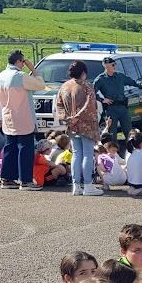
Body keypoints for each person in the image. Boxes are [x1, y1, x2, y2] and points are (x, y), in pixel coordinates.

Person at [0, 50, 46, 190]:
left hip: (8, 116)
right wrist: (33, 69)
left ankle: (7, 178)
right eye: (23, 62)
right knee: (25, 149)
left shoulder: (1, 76)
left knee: (10, 148)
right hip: (23, 117)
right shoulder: (20, 76)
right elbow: (41, 85)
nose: (24, 64)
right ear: (18, 61)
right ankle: (26, 181)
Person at [56, 60, 103, 197]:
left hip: (71, 126)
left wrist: (67, 118)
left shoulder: (64, 86)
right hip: (87, 125)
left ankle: (76, 186)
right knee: (88, 154)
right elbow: (90, 105)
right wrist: (78, 116)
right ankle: (88, 185)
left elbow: (58, 104)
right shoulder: (87, 86)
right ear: (83, 73)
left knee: (76, 154)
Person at [92, 56, 137, 153]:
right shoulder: (101, 79)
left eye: (114, 64)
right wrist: (102, 99)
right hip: (111, 109)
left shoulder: (120, 76)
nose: (114, 66)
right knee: (112, 134)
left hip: (123, 108)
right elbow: (91, 92)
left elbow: (133, 82)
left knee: (128, 131)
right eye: (112, 65)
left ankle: (132, 152)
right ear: (106, 66)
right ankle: (113, 155)